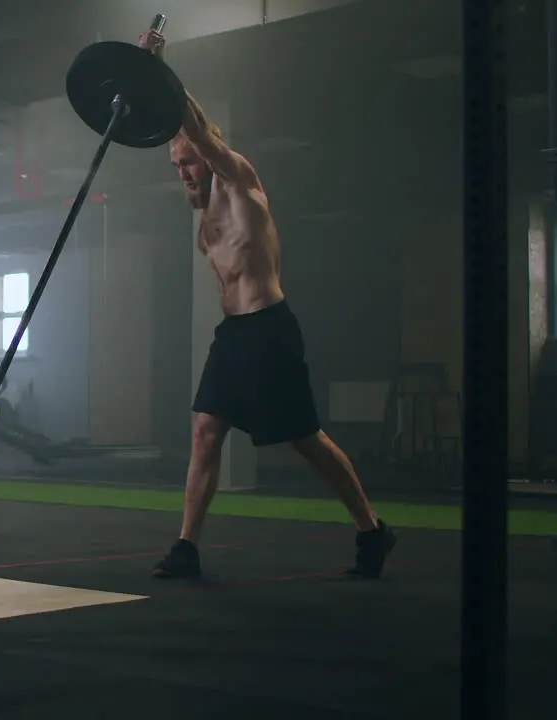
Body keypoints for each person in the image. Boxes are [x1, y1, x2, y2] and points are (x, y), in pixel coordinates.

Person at [140, 29, 397, 580]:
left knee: (305, 440)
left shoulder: (240, 181)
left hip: (270, 329)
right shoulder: (203, 214)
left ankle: (372, 530)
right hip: (232, 335)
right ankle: (186, 547)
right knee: (205, 430)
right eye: (177, 166)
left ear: (207, 156)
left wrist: (161, 73)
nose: (184, 170)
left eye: (189, 160)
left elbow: (201, 132)